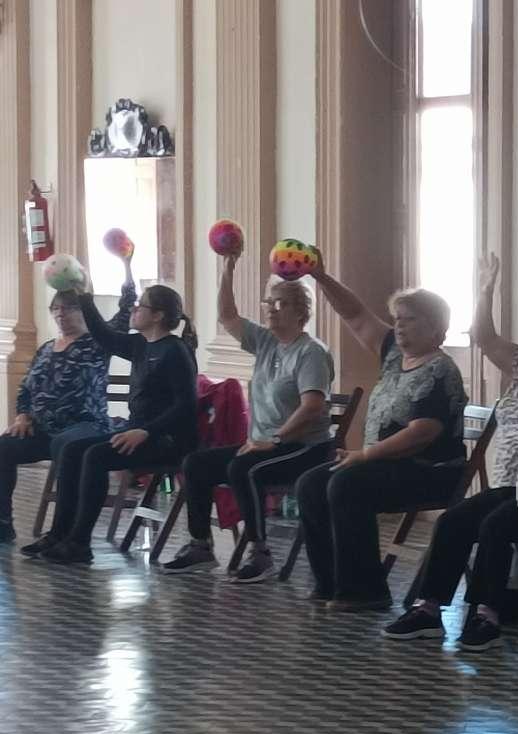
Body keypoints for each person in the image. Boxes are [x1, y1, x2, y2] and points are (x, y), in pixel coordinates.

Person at [382, 250, 518, 646]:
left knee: (494, 526)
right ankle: (429, 609)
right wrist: (485, 290)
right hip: (510, 487)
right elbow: (483, 337)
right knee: (452, 521)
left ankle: (488, 616)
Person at [296, 254, 466, 612]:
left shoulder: (441, 370)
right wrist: (321, 277)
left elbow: (422, 433)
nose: (399, 326)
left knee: (347, 484)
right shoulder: (393, 354)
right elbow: (355, 315)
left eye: (410, 319)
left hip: (429, 471)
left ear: (436, 328)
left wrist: (364, 455)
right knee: (310, 484)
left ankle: (365, 590)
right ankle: (330, 582)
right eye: (397, 319)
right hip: (384, 464)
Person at [162, 247, 335, 580]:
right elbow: (227, 316)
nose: (271, 308)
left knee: (244, 468)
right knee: (196, 463)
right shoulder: (267, 341)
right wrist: (229, 267)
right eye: (269, 302)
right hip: (264, 444)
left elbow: (313, 406)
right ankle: (200, 546)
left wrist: (275, 439)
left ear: (301, 313)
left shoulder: (310, 352)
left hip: (303, 447)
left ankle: (260, 553)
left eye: (280, 303)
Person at [22, 285, 199, 565]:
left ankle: (79, 542)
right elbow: (103, 336)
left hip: (167, 440)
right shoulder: (140, 344)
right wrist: (85, 298)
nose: (135, 309)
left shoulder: (175, 351)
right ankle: (58, 533)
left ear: (158, 315)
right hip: (137, 432)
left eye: (141, 305)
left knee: (95, 456)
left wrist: (146, 431)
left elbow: (186, 406)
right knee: (72, 450)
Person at [0, 255, 137, 543]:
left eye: (69, 308)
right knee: (3, 446)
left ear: (83, 311)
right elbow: (26, 390)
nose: (62, 314)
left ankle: (62, 531)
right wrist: (23, 416)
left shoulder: (98, 342)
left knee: (66, 445)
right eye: (57, 309)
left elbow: (126, 307)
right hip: (43, 429)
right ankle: (3, 522)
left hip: (85, 426)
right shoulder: (46, 349)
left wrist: (126, 265)